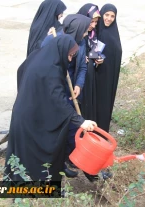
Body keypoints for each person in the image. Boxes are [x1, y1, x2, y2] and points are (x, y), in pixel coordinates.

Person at [5, 35, 97, 181]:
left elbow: (20, 70)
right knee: (35, 157)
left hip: (25, 112)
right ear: (61, 50)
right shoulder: (51, 70)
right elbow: (58, 101)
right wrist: (81, 121)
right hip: (29, 119)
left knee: (26, 158)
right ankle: (33, 191)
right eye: (70, 55)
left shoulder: (39, 56)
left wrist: (27, 94)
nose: (70, 59)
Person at [40, 14, 91, 178]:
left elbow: (82, 66)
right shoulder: (52, 40)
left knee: (70, 129)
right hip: (54, 92)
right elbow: (44, 69)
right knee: (56, 132)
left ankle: (66, 162)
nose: (85, 35)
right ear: (77, 29)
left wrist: (78, 85)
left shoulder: (81, 42)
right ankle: (55, 168)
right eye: (84, 31)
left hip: (70, 91)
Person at [96, 4, 122, 132]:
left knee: (105, 104)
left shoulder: (113, 33)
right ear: (102, 15)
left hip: (109, 76)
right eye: (107, 15)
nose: (109, 18)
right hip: (96, 75)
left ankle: (102, 129)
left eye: (112, 16)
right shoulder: (96, 32)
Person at [77, 3, 103, 121]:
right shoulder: (75, 32)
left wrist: (98, 59)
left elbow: (94, 52)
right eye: (91, 21)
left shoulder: (92, 34)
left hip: (89, 74)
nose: (93, 25)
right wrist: (80, 57)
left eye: (96, 22)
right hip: (78, 78)